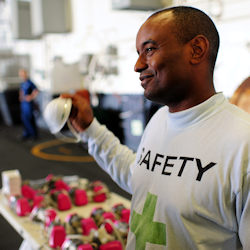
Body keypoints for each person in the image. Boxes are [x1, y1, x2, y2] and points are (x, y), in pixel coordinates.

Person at [61, 6, 250, 250]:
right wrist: (89, 128)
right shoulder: (160, 120)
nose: (138, 65)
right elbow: (141, 177)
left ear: (197, 50)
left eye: (149, 50)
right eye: (139, 53)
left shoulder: (242, 142)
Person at [19, 69, 39, 140]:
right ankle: (26, 134)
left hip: (28, 104)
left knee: (29, 119)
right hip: (23, 103)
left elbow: (36, 90)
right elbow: (21, 91)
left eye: (23, 73)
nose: (22, 75)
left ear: (26, 74)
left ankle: (33, 134)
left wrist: (31, 97)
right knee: (24, 119)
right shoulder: (22, 83)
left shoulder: (30, 82)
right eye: (21, 74)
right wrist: (21, 97)